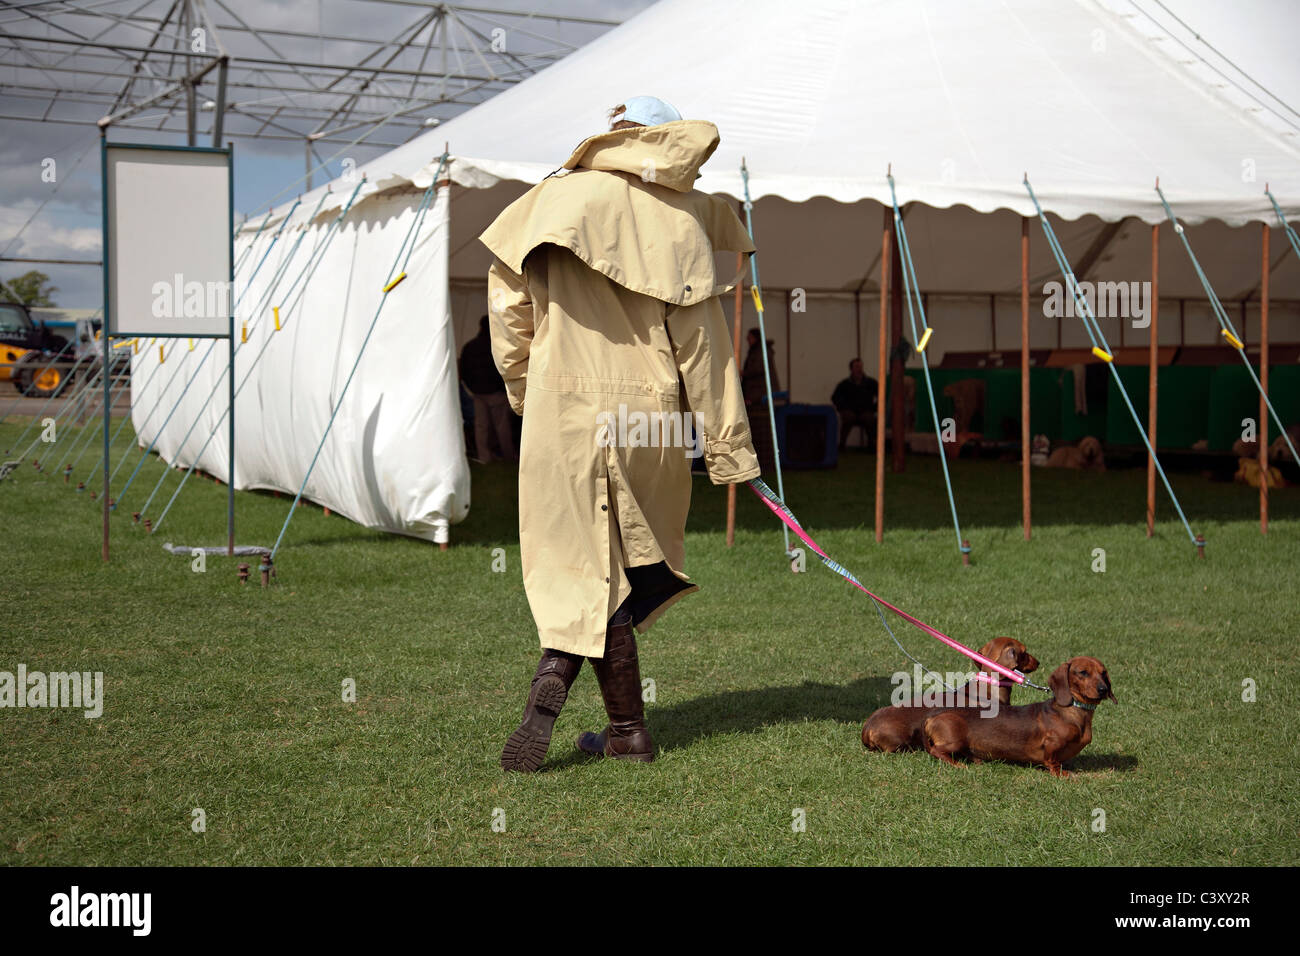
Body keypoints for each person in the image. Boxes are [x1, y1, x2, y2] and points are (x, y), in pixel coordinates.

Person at [479, 95, 760, 772]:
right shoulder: (686, 217)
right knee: (623, 571)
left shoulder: (550, 200)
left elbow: (508, 314)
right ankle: (628, 732)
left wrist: (524, 393)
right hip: (649, 418)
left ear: (612, 135)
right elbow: (705, 348)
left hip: (563, 409)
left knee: (577, 566)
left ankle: (557, 669)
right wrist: (728, 448)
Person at [459, 314, 517, 462]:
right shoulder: (497, 346)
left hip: (478, 393)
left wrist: (472, 388)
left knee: (481, 427)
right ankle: (508, 456)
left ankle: (484, 457)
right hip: (496, 393)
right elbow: (504, 369)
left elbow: (463, 370)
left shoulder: (469, 346)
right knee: (502, 427)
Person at [830, 357, 877, 450]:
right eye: (856, 367)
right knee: (848, 417)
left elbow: (882, 395)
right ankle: (842, 444)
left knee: (870, 418)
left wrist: (874, 408)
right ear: (851, 369)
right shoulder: (844, 384)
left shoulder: (871, 383)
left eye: (860, 367)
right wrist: (842, 409)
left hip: (865, 411)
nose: (859, 369)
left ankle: (872, 445)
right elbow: (834, 397)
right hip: (849, 411)